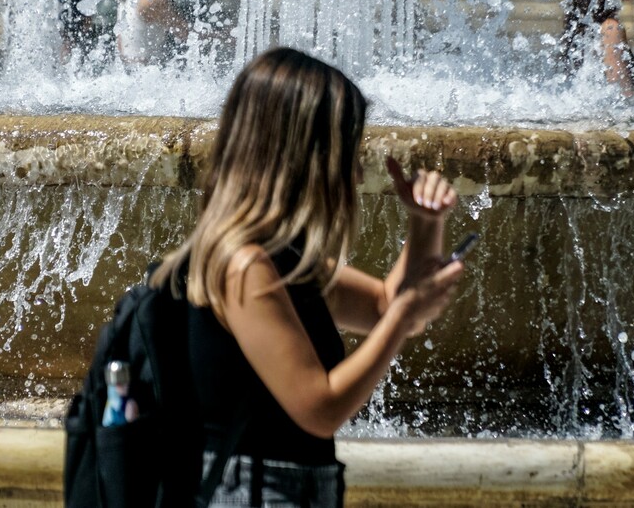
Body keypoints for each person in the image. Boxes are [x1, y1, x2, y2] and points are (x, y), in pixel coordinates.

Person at [149, 47, 465, 507]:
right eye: (347, 155)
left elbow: (381, 305)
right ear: (302, 158)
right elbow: (319, 408)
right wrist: (402, 316)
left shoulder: (283, 260)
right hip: (251, 494)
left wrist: (426, 222)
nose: (357, 176)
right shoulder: (245, 267)